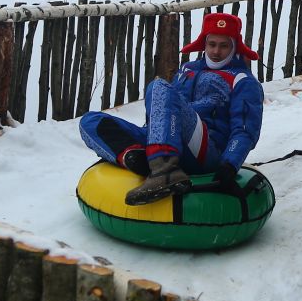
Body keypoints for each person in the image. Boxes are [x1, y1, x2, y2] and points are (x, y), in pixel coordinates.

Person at [79, 11, 265, 205]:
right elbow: (164, 109)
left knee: (159, 86)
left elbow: (244, 130)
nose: (216, 52)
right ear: (204, 44)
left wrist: (229, 164)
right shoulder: (188, 69)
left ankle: (164, 171)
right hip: (171, 140)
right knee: (90, 121)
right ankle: (138, 160)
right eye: (212, 44)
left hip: (206, 149)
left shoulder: (243, 81)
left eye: (224, 46)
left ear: (234, 46)